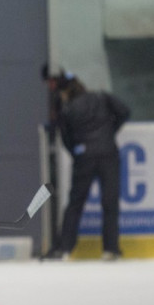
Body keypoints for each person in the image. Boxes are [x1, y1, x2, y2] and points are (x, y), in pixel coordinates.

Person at [46, 74, 130, 260]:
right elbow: (124, 112)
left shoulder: (67, 110)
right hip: (108, 154)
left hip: (84, 157)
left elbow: (66, 137)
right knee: (110, 202)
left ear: (66, 93)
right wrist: (109, 133)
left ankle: (65, 248)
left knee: (76, 203)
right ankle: (111, 249)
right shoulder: (102, 97)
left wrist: (78, 151)